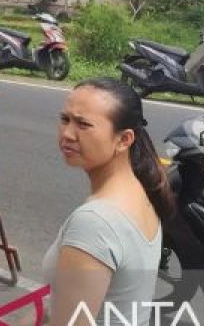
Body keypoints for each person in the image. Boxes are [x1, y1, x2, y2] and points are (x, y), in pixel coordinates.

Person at [44, 78, 171, 326]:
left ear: (124, 140)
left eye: (83, 124)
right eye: (65, 119)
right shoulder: (140, 191)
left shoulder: (94, 222)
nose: (67, 134)